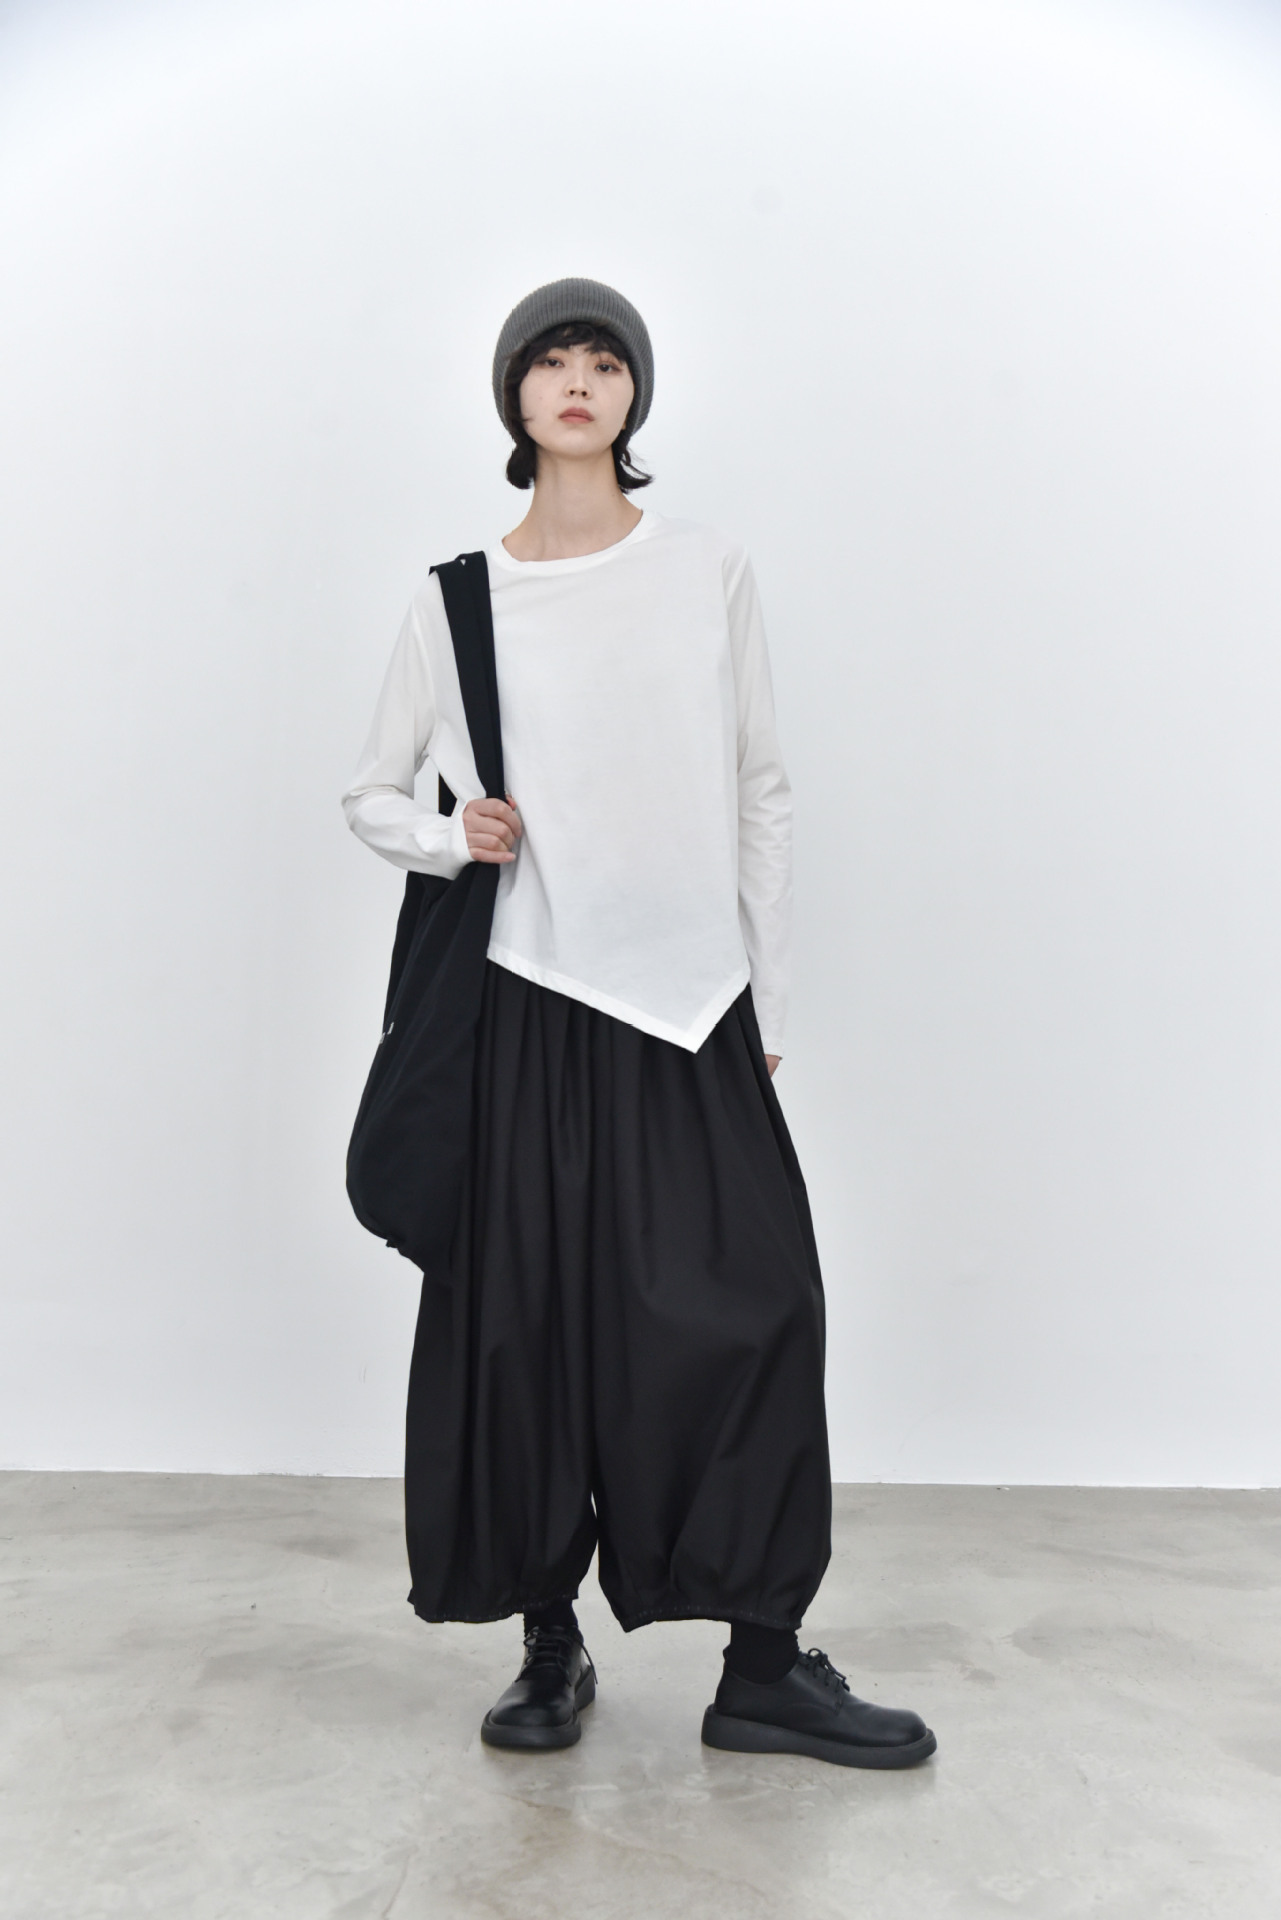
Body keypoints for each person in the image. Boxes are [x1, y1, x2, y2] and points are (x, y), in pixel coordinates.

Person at [341, 277, 935, 1769]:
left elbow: (760, 785)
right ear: (514, 396)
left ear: (632, 396)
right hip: (523, 1001)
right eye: (551, 359)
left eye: (604, 360)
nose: (578, 379)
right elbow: (370, 791)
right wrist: (449, 835)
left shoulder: (705, 567)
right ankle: (550, 1647)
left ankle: (762, 1666)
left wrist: (764, 1000)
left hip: (691, 1002)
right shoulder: (455, 598)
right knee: (527, 1332)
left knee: (759, 1310)